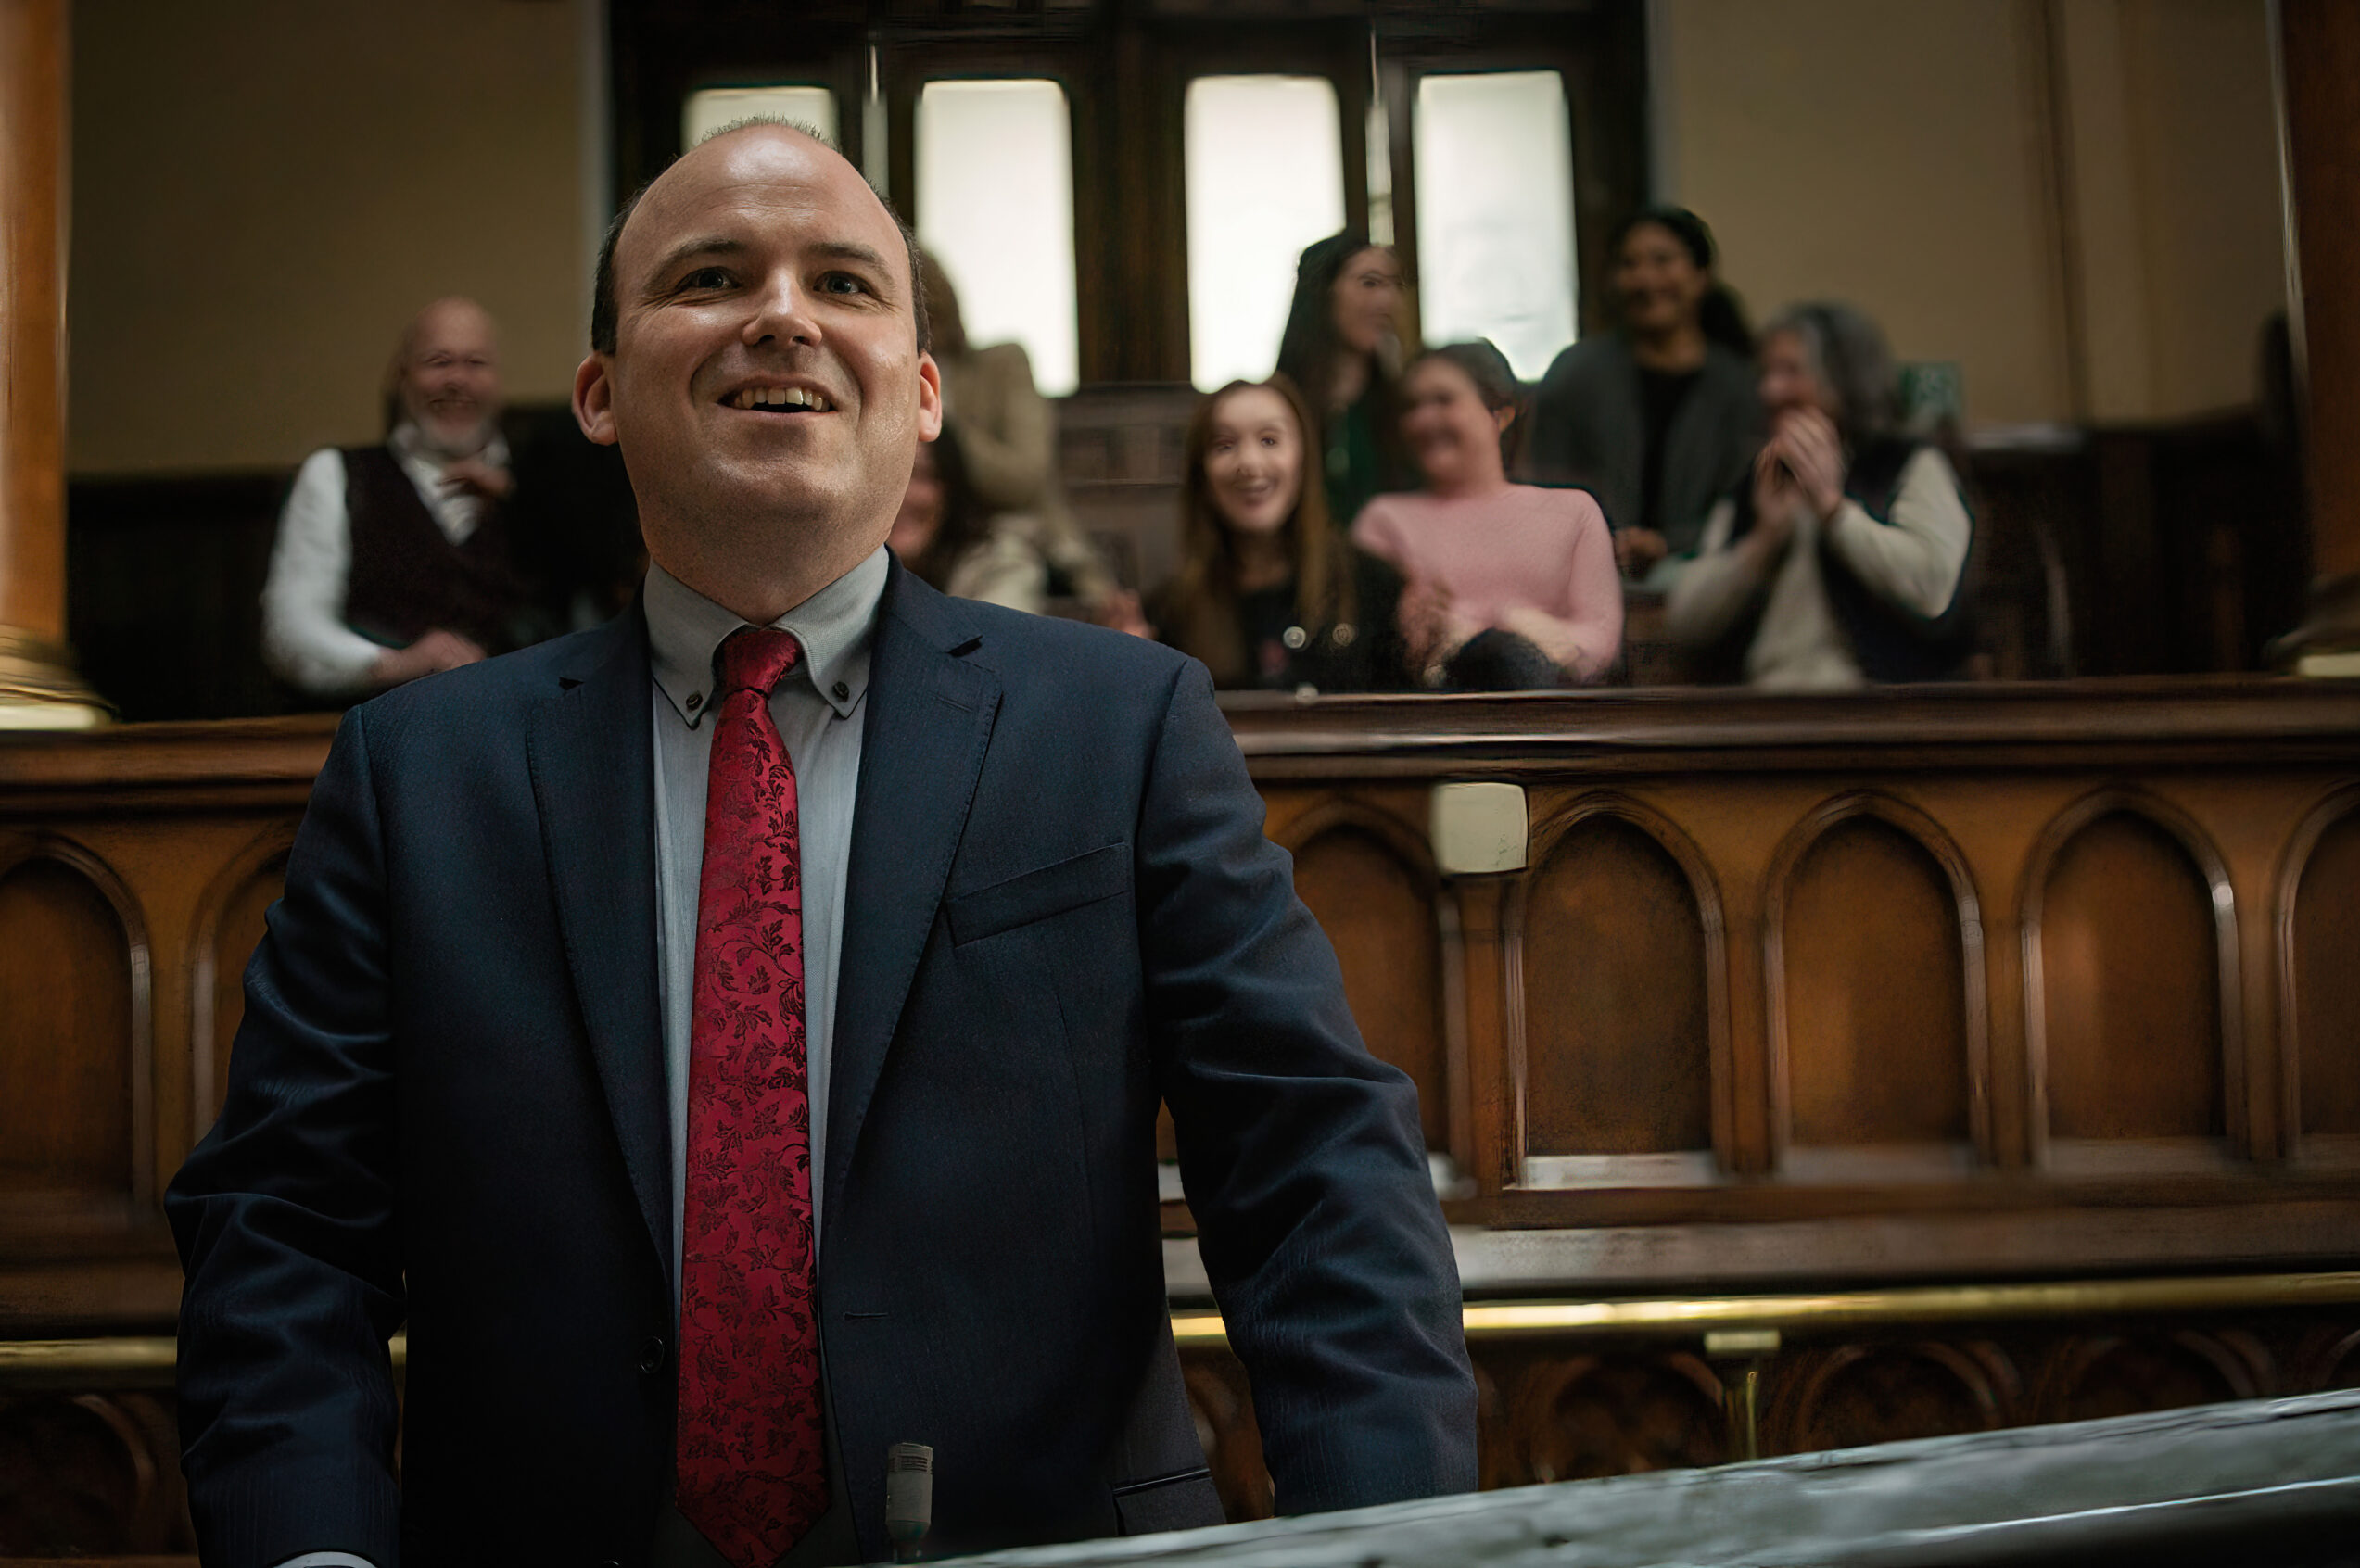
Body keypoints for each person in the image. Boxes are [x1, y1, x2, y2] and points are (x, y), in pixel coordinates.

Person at [167, 120, 1474, 1568]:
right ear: (600, 393)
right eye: (712, 275)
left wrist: (1388, 1541)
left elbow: (1316, 1174)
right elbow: (285, 1224)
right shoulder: (420, 773)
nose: (780, 313)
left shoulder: (1124, 725)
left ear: (922, 396)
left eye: (844, 282)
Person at [1665, 302, 1974, 689]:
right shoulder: (1757, 481)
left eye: (1791, 372)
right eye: (1766, 373)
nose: (1770, 390)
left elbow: (1931, 588)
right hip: (1759, 712)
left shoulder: (1906, 465)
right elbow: (1686, 620)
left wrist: (1834, 513)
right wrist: (1763, 542)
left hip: (1882, 711)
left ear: (1844, 380)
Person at [259, 297, 546, 699]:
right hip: (376, 740)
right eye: (438, 361)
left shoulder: (546, 490)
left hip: (525, 743)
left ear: (498, 381)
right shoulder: (337, 476)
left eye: (475, 363)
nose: (457, 380)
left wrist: (524, 499)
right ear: (401, 377)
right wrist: (394, 664)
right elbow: (292, 632)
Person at [1351, 342, 1623, 690]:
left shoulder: (1574, 512)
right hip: (1430, 719)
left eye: (1443, 400)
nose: (1422, 420)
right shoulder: (1383, 521)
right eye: (1411, 407)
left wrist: (1504, 626)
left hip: (1553, 720)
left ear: (1500, 412)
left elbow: (1600, 646)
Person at [1525, 209, 1763, 586]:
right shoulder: (1576, 374)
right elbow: (1545, 488)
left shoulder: (1740, 386)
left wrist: (1667, 545)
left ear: (1701, 276)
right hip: (1585, 577)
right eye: (1629, 264)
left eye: (1662, 261)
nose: (1645, 278)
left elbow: (1743, 505)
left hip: (1708, 583)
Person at [1136, 377, 1407, 693]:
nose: (1249, 464)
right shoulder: (1169, 611)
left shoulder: (1373, 585)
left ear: (1303, 460)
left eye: (1269, 440)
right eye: (1224, 445)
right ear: (1202, 476)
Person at [916, 251, 1117, 610]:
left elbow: (1023, 479)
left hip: (1009, 541)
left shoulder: (1001, 364)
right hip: (906, 540)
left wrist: (930, 404)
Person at [1273, 232, 1408, 530]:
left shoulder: (1400, 407)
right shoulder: (1278, 407)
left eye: (1393, 285)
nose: (1387, 301)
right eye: (1370, 283)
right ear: (1323, 292)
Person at [888, 424, 1046, 613]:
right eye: (889, 476)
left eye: (922, 475)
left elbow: (994, 637)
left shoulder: (997, 566)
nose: (904, 496)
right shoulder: (849, 572)